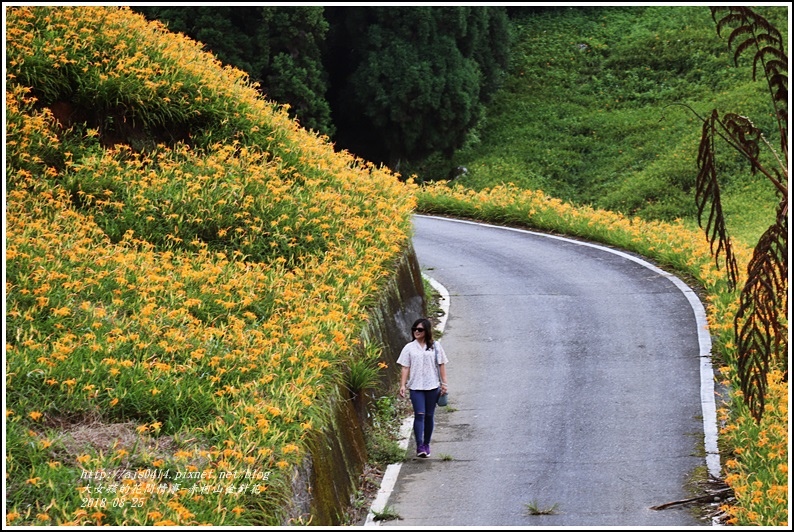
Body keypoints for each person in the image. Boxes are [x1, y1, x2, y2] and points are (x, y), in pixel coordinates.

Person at [397, 317, 449, 458]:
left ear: (426, 331)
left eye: (420, 330)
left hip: (432, 386)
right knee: (420, 414)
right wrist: (402, 385)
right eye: (414, 329)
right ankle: (420, 445)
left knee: (429, 415)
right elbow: (405, 367)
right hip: (416, 386)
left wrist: (444, 384)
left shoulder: (435, 346)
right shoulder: (409, 348)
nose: (416, 332)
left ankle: (426, 443)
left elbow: (441, 364)